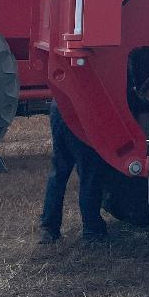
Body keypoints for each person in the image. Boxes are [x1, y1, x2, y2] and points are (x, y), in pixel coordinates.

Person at [38, 101, 108, 244]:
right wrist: (148, 104)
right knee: (89, 173)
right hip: (81, 111)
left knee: (59, 172)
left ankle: (49, 228)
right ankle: (92, 230)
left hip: (59, 107)